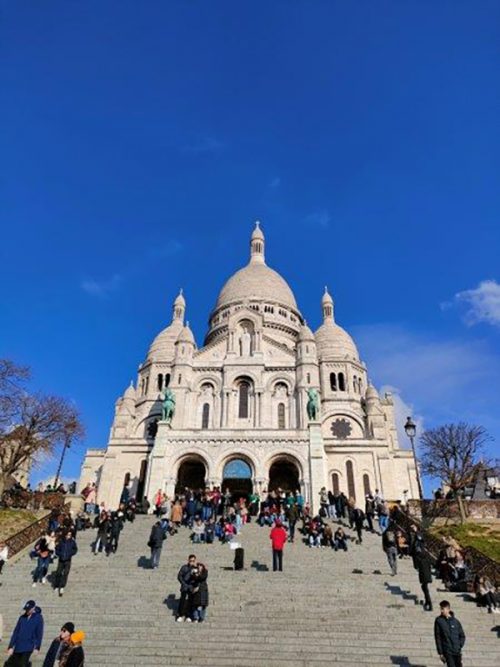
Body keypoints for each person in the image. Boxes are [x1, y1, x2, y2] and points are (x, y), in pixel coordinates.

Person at [6, 600, 44, 667]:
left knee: (22, 664)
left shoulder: (38, 618)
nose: (27, 611)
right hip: (18, 646)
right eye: (26, 609)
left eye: (29, 609)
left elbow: (39, 633)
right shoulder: (22, 618)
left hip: (28, 646)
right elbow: (16, 632)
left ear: (33, 608)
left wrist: (37, 647)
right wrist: (11, 646)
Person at [434, 600, 466, 667]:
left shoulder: (456, 621)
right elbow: (438, 637)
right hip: (447, 651)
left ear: (448, 609)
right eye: (441, 608)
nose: (441, 611)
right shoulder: (439, 621)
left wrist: (459, 645)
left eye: (443, 609)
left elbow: (462, 635)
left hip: (457, 651)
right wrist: (440, 653)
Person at [54, 531, 78, 597]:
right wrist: (59, 554)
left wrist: (71, 553)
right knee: (58, 572)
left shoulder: (72, 542)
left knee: (65, 573)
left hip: (68, 560)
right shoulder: (61, 541)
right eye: (67, 535)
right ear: (65, 535)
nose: (68, 536)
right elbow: (56, 549)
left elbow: (75, 549)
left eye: (69, 535)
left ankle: (62, 587)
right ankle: (56, 585)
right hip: (61, 559)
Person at [177, 555, 197, 622]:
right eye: (190, 560)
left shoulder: (196, 568)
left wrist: (194, 574)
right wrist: (183, 583)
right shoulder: (184, 567)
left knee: (190, 601)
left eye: (193, 561)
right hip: (185, 587)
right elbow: (179, 576)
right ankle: (180, 615)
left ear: (195, 561)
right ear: (188, 560)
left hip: (191, 587)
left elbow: (197, 579)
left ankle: (189, 615)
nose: (192, 562)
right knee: (182, 601)